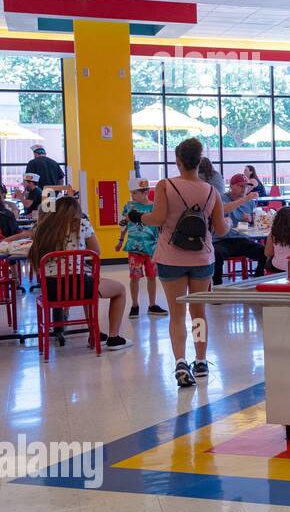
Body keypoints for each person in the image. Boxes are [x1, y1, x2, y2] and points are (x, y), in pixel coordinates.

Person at [141, 137, 229, 387]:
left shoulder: (165, 185)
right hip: (202, 258)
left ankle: (181, 362)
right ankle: (200, 360)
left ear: (178, 161)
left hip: (171, 257)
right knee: (198, 313)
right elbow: (221, 229)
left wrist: (140, 217)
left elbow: (157, 219)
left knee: (177, 314)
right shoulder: (212, 191)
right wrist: (230, 223)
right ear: (199, 162)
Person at [29, 196, 130, 351]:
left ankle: (94, 333)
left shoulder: (42, 228)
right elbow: (96, 251)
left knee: (85, 284)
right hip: (78, 285)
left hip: (50, 290)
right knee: (119, 290)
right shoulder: (82, 224)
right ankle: (114, 337)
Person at [114, 178, 166, 318]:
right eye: (131, 193)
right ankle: (135, 305)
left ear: (146, 192)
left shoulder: (154, 208)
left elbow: (160, 227)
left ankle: (152, 304)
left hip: (151, 248)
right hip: (134, 248)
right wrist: (120, 241)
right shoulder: (129, 206)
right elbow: (124, 225)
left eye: (135, 193)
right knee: (135, 278)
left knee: (152, 277)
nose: (132, 195)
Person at [211, 174, 265, 285]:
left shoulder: (249, 202)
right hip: (221, 240)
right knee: (217, 254)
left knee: (265, 252)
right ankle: (218, 288)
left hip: (240, 239)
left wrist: (248, 221)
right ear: (231, 186)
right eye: (240, 186)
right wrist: (244, 199)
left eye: (246, 186)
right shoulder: (221, 198)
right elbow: (222, 210)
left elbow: (242, 229)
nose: (244, 189)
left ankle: (256, 281)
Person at [264, 206, 290, 274]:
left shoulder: (273, 234)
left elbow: (268, 253)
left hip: (278, 267)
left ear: (277, 219)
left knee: (268, 261)